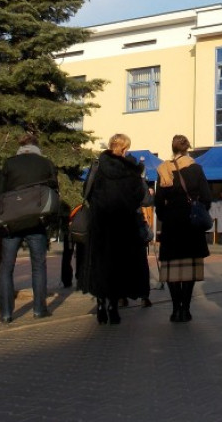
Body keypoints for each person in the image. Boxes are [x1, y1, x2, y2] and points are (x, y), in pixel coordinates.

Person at [80, 133, 148, 325]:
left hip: (99, 225)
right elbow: (139, 198)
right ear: (125, 148)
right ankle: (114, 307)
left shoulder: (98, 166)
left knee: (100, 264)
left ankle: (100, 304)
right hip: (122, 226)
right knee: (118, 266)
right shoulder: (130, 172)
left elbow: (86, 191)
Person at [0, 132, 59, 324]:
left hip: (12, 222)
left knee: (6, 268)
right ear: (36, 146)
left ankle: (6, 313)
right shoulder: (45, 163)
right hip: (36, 220)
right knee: (38, 266)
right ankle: (39, 309)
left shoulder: (9, 163)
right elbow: (54, 191)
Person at [155, 135, 212, 323]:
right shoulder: (196, 169)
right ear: (187, 148)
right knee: (190, 268)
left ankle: (174, 309)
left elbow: (158, 202)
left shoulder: (164, 169)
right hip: (191, 224)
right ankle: (185, 309)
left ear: (173, 149)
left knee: (171, 268)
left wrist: (166, 216)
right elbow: (206, 196)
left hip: (172, 224)